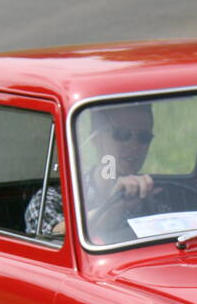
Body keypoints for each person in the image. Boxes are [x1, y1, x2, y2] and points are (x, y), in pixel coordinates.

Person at [24, 102, 167, 243]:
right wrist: (112, 209)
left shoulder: (152, 198)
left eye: (144, 137)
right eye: (122, 135)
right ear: (97, 139)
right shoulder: (52, 199)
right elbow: (53, 236)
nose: (134, 145)